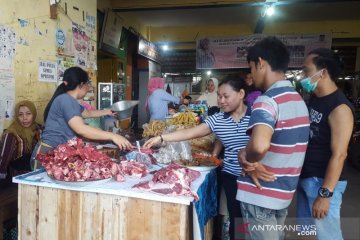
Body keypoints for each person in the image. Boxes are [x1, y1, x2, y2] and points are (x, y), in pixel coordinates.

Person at [144, 76, 251, 240]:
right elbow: (189, 133)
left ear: (241, 93)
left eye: (226, 96)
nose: (221, 101)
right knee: (237, 221)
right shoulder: (218, 120)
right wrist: (162, 138)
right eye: (219, 96)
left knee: (256, 223)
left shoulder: (257, 115)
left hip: (253, 176)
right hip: (231, 177)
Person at [237, 37, 310, 240]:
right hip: (283, 194)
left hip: (260, 194)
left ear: (261, 63)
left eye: (251, 68)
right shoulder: (298, 100)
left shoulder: (266, 101)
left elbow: (259, 146)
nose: (251, 75)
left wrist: (246, 158)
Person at [296, 48, 354, 240]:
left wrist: (325, 195)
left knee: (327, 236)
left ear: (323, 72)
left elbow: (340, 154)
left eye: (306, 70)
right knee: (306, 234)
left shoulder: (340, 108)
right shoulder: (316, 99)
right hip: (307, 178)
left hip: (322, 183)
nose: (303, 76)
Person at [31, 67, 132, 170]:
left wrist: (108, 111)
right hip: (47, 153)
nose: (88, 87)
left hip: (59, 152)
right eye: (88, 84)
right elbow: (81, 129)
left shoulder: (71, 101)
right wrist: (113, 136)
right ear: (81, 85)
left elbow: (88, 113)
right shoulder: (65, 100)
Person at [0, 100, 42, 179]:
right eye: (20, 115)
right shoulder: (11, 133)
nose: (24, 118)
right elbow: (4, 158)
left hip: (37, 174)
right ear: (17, 116)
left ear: (34, 114)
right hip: (17, 176)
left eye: (28, 114)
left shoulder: (39, 130)